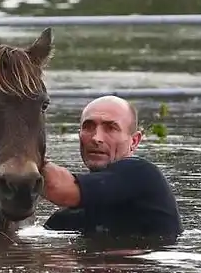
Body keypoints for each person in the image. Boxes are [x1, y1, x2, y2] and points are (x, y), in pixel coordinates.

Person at [41, 95, 182, 239]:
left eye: (111, 128)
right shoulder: (65, 219)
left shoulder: (143, 175)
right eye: (88, 127)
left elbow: (58, 189)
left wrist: (24, 155)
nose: (96, 138)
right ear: (79, 135)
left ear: (134, 141)